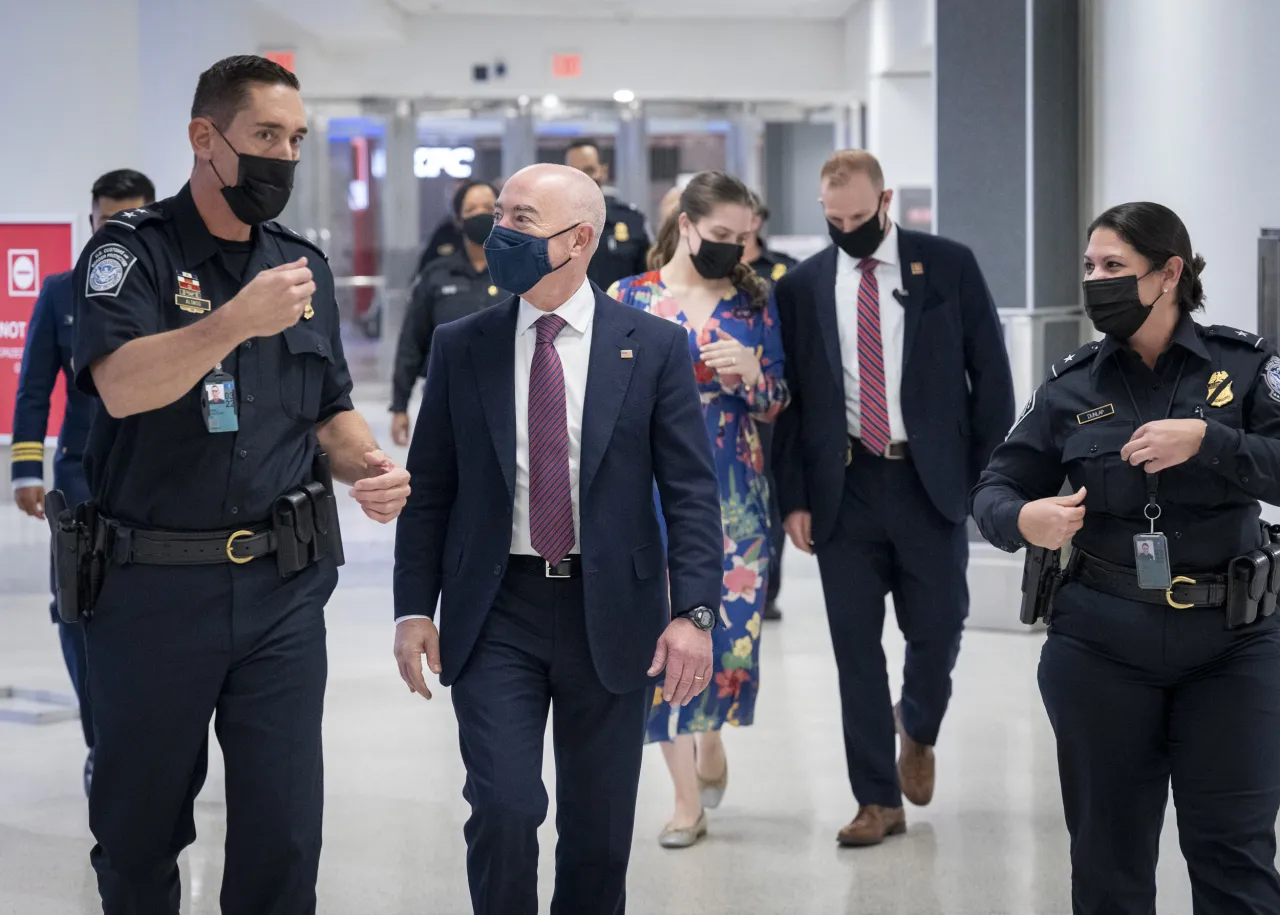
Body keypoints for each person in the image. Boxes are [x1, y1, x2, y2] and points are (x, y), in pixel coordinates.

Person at [71, 55, 412, 914]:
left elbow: (328, 408)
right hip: (152, 589)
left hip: (281, 587)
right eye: (265, 136)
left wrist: (366, 462)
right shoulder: (132, 251)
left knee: (284, 833)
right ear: (205, 138)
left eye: (295, 140)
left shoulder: (303, 266)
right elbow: (120, 384)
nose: (283, 159)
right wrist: (232, 323)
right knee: (140, 830)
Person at [392, 163, 723, 914]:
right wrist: (414, 607)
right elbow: (431, 490)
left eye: (519, 217)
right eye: (499, 212)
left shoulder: (655, 346)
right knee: (505, 809)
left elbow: (691, 492)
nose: (497, 230)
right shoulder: (461, 343)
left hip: (612, 611)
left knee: (599, 831)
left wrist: (694, 613)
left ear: (577, 240)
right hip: (495, 608)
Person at [972, 201, 1280, 915]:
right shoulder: (1070, 382)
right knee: (1108, 866)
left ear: (1169, 273)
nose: (1095, 280)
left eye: (1114, 266)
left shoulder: (1247, 366)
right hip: (1102, 647)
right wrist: (1026, 516)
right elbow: (994, 487)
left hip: (1232, 648)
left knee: (1234, 859)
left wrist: (1211, 442)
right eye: (1090, 266)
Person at [772, 149, 1014, 846]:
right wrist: (794, 497)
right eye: (832, 217)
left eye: (858, 215)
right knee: (854, 648)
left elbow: (990, 375)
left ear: (885, 200)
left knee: (938, 626)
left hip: (928, 480)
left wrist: (987, 477)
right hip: (842, 487)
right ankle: (876, 799)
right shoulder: (804, 286)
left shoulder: (948, 264)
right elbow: (790, 404)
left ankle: (920, 722)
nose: (846, 228)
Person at [608, 170, 789, 848]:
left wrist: (750, 370)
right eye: (722, 236)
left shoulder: (754, 302)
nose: (736, 250)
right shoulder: (631, 297)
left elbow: (777, 401)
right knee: (661, 638)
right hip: (649, 492)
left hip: (736, 492)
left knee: (726, 633)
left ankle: (709, 729)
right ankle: (686, 799)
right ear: (685, 225)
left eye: (745, 238)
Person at [11, 167, 155, 796]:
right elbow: (34, 389)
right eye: (105, 221)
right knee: (76, 612)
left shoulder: (174, 295)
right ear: (89, 219)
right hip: (81, 483)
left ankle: (155, 740)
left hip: (157, 481)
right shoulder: (60, 291)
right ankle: (102, 743)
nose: (114, 233)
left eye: (129, 221)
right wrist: (24, 469)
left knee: (157, 617)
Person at [390, 179, 505, 446]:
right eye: (471, 209)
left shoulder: (519, 273)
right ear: (458, 219)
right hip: (446, 400)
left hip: (508, 398)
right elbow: (411, 341)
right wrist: (399, 406)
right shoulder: (436, 275)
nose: (480, 215)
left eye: (489, 207)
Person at [743, 190, 797, 620]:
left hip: (773, 399)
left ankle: (768, 588)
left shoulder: (784, 271)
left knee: (769, 496)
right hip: (722, 407)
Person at [564, 138, 651, 292]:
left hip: (622, 312)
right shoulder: (552, 223)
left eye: (589, 170)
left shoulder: (631, 221)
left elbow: (647, 278)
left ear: (603, 171)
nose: (583, 178)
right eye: (575, 171)